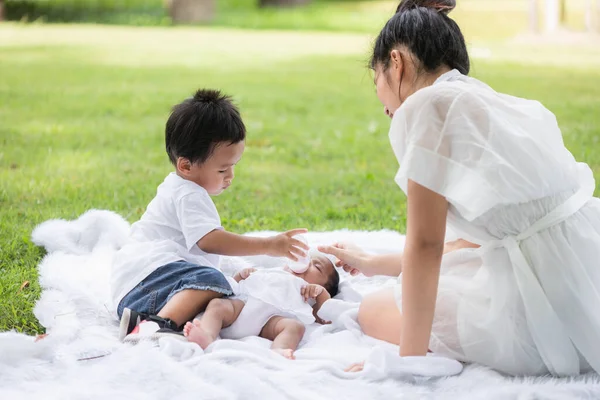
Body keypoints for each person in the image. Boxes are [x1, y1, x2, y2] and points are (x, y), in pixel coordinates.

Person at [319, 0, 600, 376]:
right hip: (586, 267)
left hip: (550, 307)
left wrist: (408, 361)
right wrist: (375, 262)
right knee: (447, 278)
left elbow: (427, 244)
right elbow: (482, 238)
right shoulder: (492, 102)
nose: (383, 104)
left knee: (373, 310)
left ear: (396, 63)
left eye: (377, 82)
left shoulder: (425, 107)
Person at [111, 89, 309, 342]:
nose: (230, 177)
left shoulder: (179, 187)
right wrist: (269, 245)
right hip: (148, 283)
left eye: (234, 167)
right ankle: (160, 324)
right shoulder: (189, 194)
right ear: (186, 166)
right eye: (223, 169)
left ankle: (153, 320)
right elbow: (211, 241)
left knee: (219, 292)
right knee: (212, 280)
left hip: (143, 290)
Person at [183, 253, 339, 359]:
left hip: (270, 321)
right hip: (242, 307)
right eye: (306, 259)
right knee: (217, 305)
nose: (305, 263)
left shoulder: (309, 291)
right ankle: (206, 336)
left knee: (295, 327)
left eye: (316, 267)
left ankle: (279, 350)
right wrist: (242, 276)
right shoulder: (274, 272)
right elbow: (233, 288)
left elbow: (323, 316)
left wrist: (321, 294)